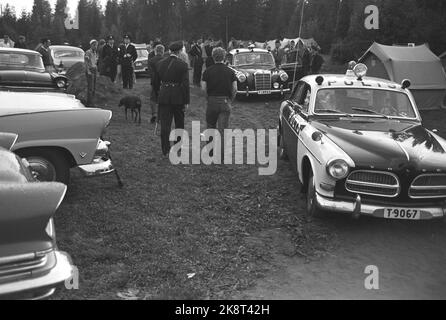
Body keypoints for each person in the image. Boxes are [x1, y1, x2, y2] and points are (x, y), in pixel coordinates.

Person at [153, 41, 190, 157]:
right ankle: (177, 147)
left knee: (165, 124)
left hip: (164, 96)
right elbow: (185, 85)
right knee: (179, 123)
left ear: (169, 51)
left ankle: (165, 149)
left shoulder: (160, 64)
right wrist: (186, 101)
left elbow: (155, 83)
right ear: (179, 52)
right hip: (178, 97)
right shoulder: (183, 65)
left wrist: (158, 94)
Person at [201, 47, 237, 134]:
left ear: (213, 57)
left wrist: (207, 98)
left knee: (210, 129)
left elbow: (203, 88)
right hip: (225, 101)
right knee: (223, 131)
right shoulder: (231, 71)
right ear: (224, 57)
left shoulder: (207, 71)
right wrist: (230, 99)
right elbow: (235, 88)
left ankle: (210, 147)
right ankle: (221, 147)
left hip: (212, 101)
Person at [147, 44, 165, 124]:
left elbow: (150, 73)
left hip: (154, 81)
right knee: (162, 100)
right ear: (163, 51)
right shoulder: (165, 60)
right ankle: (161, 116)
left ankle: (154, 114)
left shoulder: (151, 60)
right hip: (163, 82)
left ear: (156, 51)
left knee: (152, 99)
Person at [85, 39, 99, 107]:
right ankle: (89, 102)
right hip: (90, 69)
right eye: (94, 45)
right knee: (90, 87)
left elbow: (96, 62)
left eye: (96, 45)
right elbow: (86, 62)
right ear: (91, 45)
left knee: (94, 87)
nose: (95, 47)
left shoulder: (95, 53)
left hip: (94, 69)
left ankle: (92, 101)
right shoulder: (88, 52)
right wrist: (88, 70)